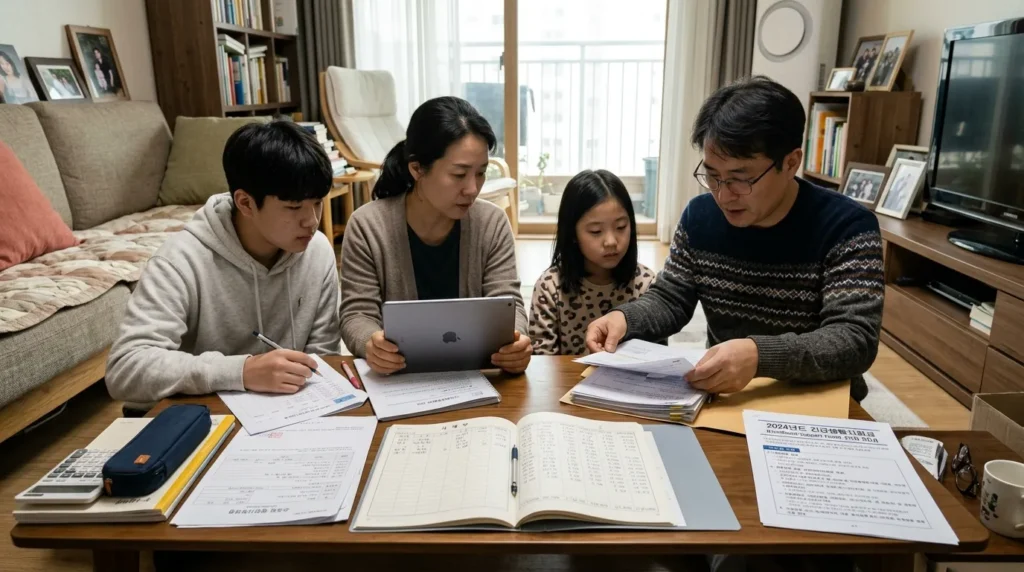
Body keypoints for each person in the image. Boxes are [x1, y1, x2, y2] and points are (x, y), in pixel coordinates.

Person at [585, 76, 884, 402]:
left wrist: (759, 355)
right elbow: (672, 298)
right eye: (712, 176)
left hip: (822, 400)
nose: (724, 195)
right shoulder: (700, 217)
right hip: (728, 395)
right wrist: (624, 318)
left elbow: (855, 340)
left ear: (791, 162)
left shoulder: (848, 227)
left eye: (741, 179)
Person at [106, 121, 340, 406]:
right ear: (245, 203)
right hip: (202, 414)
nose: (312, 221)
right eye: (293, 207)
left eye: (317, 203)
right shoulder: (180, 260)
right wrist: (241, 371)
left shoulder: (317, 250)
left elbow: (323, 356)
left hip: (289, 415)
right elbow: (125, 370)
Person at [340, 96, 531, 375]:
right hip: (397, 380)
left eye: (480, 173)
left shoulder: (491, 223)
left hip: (478, 379)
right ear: (417, 168)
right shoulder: (368, 226)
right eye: (459, 174)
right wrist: (371, 343)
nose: (472, 188)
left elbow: (507, 304)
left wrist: (515, 340)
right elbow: (357, 314)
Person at [529, 169, 655, 355]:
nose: (611, 241)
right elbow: (541, 363)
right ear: (572, 234)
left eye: (621, 227)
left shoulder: (646, 284)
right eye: (596, 231)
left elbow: (656, 357)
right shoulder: (550, 287)